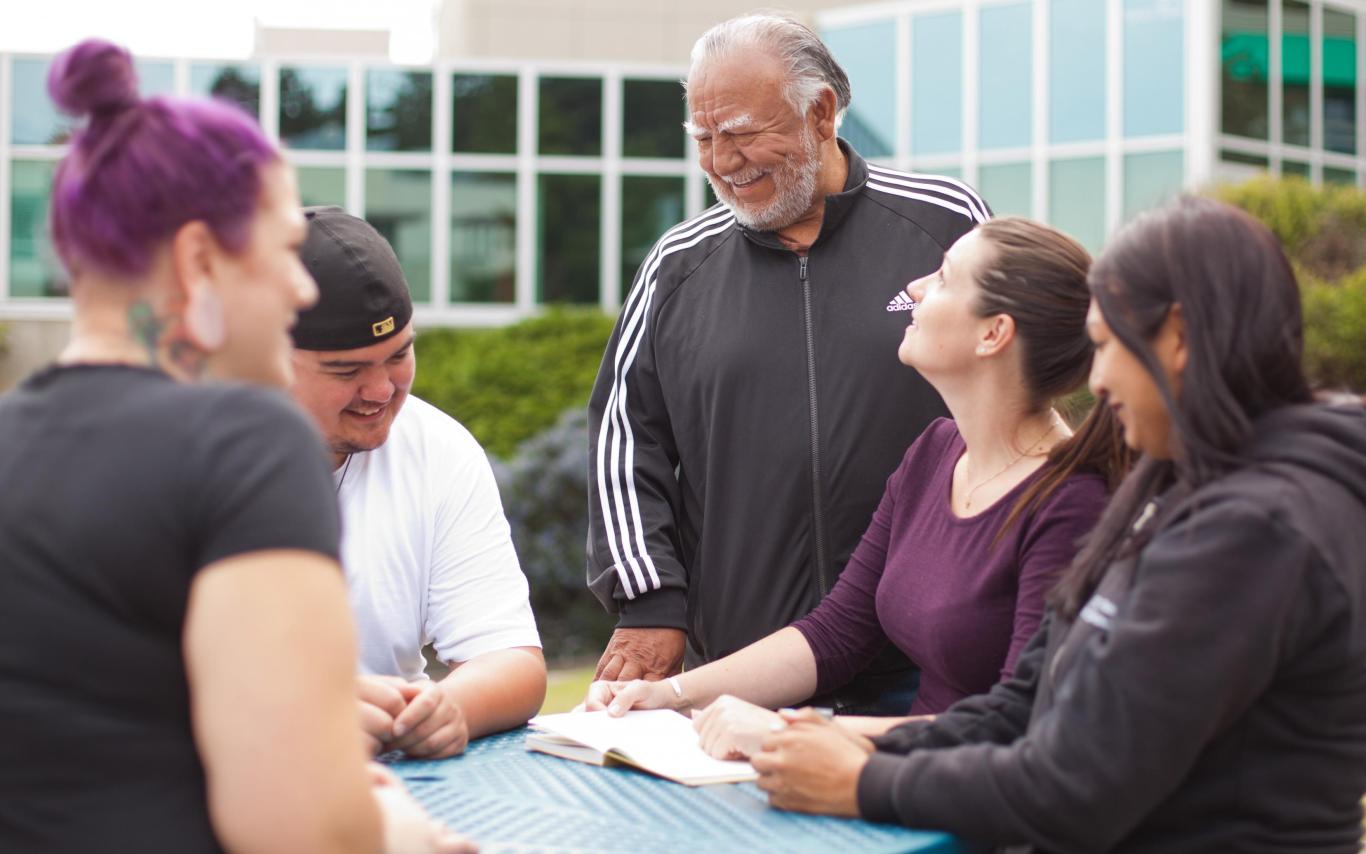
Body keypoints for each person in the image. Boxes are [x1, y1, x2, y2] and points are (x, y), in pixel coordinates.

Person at [746, 197, 1366, 853]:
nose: (1094, 380)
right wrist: (851, 740)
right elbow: (1024, 705)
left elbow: (1078, 788)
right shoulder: (1179, 484)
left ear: (1177, 338)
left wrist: (864, 782)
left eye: (1106, 345)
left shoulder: (1257, 529)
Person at [0, 40, 471, 853]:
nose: (297, 289)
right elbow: (300, 831)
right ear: (197, 260)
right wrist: (393, 828)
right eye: (284, 250)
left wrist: (299, 703)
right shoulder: (248, 445)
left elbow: (86, 717)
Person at [586, 218, 1128, 757]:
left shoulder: (1073, 501)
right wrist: (664, 694)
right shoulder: (934, 453)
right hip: (902, 791)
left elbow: (1022, 719)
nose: (914, 287)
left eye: (942, 278)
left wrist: (793, 733)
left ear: (994, 333)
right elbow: (835, 634)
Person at [587, 13, 991, 713]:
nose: (722, 161)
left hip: (929, 662)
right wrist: (650, 598)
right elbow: (625, 440)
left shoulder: (948, 225)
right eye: (704, 139)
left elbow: (1019, 395)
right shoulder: (676, 267)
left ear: (823, 113)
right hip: (743, 671)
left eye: (742, 133)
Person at [289, 207, 546, 760]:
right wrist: (298, 720)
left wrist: (448, 709)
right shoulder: (174, 462)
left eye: (400, 354)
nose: (382, 391)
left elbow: (513, 661)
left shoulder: (439, 449)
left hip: (397, 786)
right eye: (346, 370)